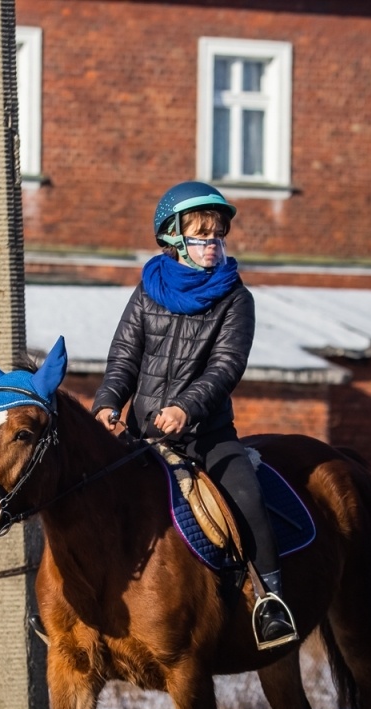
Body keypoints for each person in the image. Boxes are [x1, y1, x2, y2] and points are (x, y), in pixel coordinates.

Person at [92, 181, 297, 650]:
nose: (214, 244)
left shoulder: (236, 299)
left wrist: (186, 407)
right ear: (174, 240)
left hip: (206, 433)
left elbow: (227, 365)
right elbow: (125, 356)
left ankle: (272, 601)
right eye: (203, 235)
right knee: (83, 495)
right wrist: (106, 404)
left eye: (218, 235)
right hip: (142, 433)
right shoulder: (148, 289)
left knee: (247, 498)